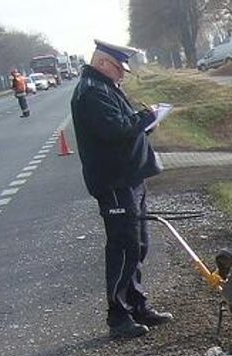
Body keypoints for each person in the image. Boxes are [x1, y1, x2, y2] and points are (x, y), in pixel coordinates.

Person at [70, 40, 172, 340]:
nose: (123, 75)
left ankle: (137, 304)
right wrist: (145, 118)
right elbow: (114, 130)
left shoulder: (104, 86)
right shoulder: (91, 91)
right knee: (124, 247)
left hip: (128, 177)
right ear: (103, 63)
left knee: (138, 244)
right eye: (119, 68)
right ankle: (118, 315)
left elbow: (124, 124)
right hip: (114, 182)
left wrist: (144, 122)